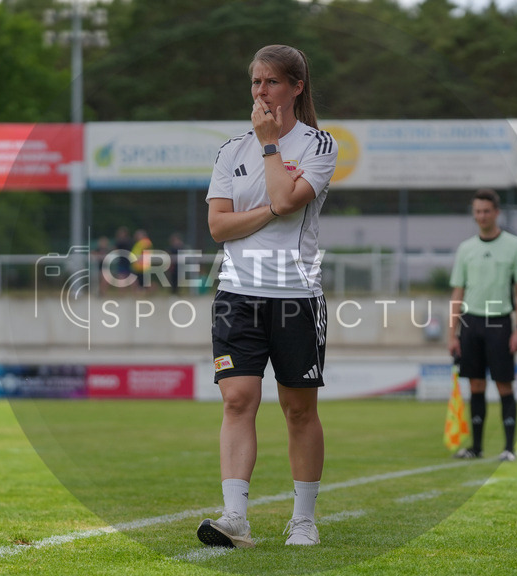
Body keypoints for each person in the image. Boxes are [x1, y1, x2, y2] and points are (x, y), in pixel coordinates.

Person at [196, 44, 337, 549]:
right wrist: (269, 212)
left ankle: (303, 519)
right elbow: (217, 227)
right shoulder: (230, 149)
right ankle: (235, 518)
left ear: (297, 87)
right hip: (237, 294)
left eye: (272, 82)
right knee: (238, 400)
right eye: (256, 82)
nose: (261, 91)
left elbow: (283, 197)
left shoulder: (320, 146)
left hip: (297, 295)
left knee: (299, 410)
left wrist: (271, 144)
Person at [447, 188, 517, 462]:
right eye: (477, 212)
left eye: (486, 211)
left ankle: (509, 448)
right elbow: (457, 293)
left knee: (504, 384)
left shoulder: (514, 246)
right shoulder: (466, 249)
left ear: (496, 213)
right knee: (475, 386)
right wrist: (453, 334)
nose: (482, 216)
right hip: (470, 323)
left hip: (500, 323)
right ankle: (476, 447)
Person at [129, 229, 153, 293]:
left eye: (138, 235)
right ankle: (141, 293)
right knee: (139, 283)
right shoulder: (138, 243)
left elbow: (146, 252)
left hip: (143, 266)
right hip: (137, 266)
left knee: (145, 284)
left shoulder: (146, 242)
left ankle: (151, 293)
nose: (136, 236)